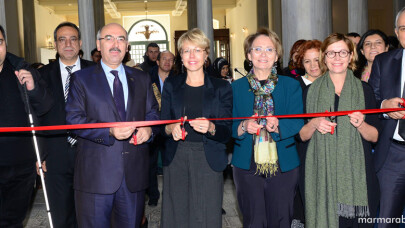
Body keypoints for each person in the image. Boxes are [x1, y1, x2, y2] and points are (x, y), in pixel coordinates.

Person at [65, 23, 159, 227]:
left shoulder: (142, 78)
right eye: (109, 38)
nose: (115, 44)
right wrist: (109, 130)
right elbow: (74, 121)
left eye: (121, 39)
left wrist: (149, 129)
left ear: (127, 47)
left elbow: (153, 114)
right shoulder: (81, 79)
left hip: (133, 178)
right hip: (95, 177)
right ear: (99, 44)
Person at [299, 33, 380, 228]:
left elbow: (375, 136)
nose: (337, 58)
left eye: (343, 52)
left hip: (358, 176)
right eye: (331, 53)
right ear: (324, 57)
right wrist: (315, 122)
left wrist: (360, 124)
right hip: (322, 176)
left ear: (351, 56)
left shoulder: (365, 90)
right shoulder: (310, 92)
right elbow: (302, 136)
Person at [231, 28, 304, 227]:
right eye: (258, 49)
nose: (263, 55)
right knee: (253, 220)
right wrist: (244, 126)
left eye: (269, 50)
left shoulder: (291, 85)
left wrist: (279, 125)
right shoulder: (235, 87)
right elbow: (227, 124)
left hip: (283, 163)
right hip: (246, 163)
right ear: (248, 55)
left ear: (277, 55)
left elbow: (298, 120)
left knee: (281, 219)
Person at [160, 28, 232, 228]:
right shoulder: (171, 85)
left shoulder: (221, 87)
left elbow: (227, 131)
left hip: (208, 157)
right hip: (177, 157)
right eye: (186, 50)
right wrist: (169, 128)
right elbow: (161, 125)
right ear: (180, 56)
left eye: (197, 50)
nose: (192, 56)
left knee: (206, 215)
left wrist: (211, 127)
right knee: (177, 215)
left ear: (206, 55)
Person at [38, 22, 95, 228]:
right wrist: (40, 155)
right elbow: (37, 117)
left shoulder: (97, 72)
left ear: (80, 43)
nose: (68, 43)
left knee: (90, 215)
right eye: (62, 39)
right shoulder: (42, 75)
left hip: (92, 153)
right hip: (55, 156)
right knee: (61, 217)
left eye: (73, 39)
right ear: (55, 44)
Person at [0, 25, 54, 227]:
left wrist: (33, 89)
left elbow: (46, 106)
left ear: (5, 43)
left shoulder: (22, 69)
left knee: (13, 221)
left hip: (22, 165)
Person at [368, 7, 405, 227]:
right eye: (403, 28)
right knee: (385, 221)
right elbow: (371, 99)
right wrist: (384, 106)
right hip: (393, 154)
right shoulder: (384, 61)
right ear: (396, 32)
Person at [147, 50, 175, 207]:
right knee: (150, 164)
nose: (167, 62)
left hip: (170, 128)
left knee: (169, 163)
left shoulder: (177, 80)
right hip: (152, 127)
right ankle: (153, 195)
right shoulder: (147, 79)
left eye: (171, 60)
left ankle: (170, 195)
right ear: (157, 61)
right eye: (164, 59)